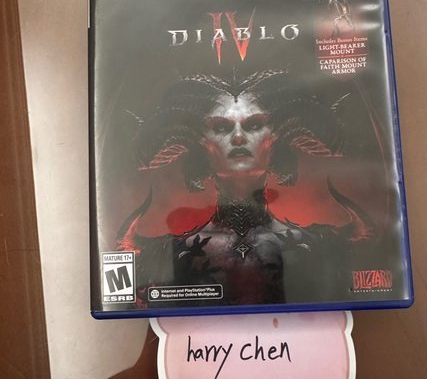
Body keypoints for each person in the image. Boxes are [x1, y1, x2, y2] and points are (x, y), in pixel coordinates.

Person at [119, 70, 373, 307]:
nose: (238, 137)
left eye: (253, 125)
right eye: (222, 127)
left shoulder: (323, 247)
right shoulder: (167, 254)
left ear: (273, 140)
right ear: (203, 145)